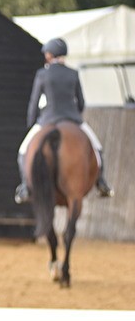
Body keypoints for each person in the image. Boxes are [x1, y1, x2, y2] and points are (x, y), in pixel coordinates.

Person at [14, 38, 113, 204]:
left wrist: (32, 123)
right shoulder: (73, 74)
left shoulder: (42, 74)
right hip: (73, 119)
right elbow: (81, 103)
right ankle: (101, 182)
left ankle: (25, 186)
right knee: (97, 149)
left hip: (47, 119)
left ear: (51, 54)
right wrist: (75, 116)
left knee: (23, 152)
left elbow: (34, 102)